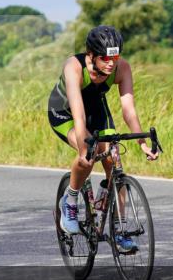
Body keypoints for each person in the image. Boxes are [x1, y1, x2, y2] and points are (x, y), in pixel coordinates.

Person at [48, 25, 158, 251]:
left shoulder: (121, 68)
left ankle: (118, 230)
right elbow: (78, 116)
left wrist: (142, 143)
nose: (111, 63)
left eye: (114, 58)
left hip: (96, 108)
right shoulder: (74, 67)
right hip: (65, 112)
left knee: (115, 161)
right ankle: (69, 199)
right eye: (105, 58)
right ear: (91, 55)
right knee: (88, 155)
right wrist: (85, 146)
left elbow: (128, 109)